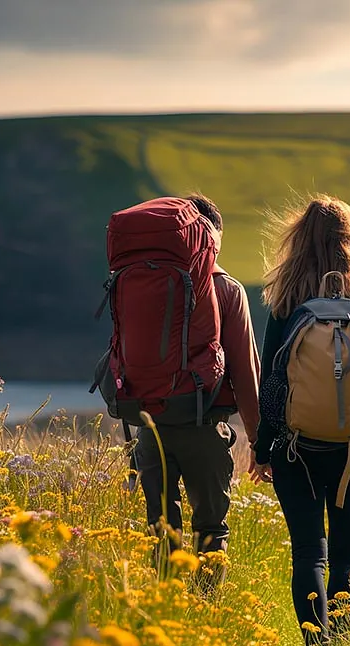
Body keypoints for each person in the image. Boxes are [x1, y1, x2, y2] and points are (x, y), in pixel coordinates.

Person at [252, 195, 350, 646]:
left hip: (294, 450)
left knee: (308, 556)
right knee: (347, 559)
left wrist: (262, 450)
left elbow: (270, 385)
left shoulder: (285, 301)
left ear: (298, 242)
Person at [134, 194, 261, 560]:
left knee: (161, 528)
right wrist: (257, 440)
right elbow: (245, 372)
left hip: (150, 423)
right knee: (210, 528)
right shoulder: (227, 289)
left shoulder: (145, 281)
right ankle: (204, 610)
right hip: (205, 423)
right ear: (213, 238)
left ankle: (165, 606)